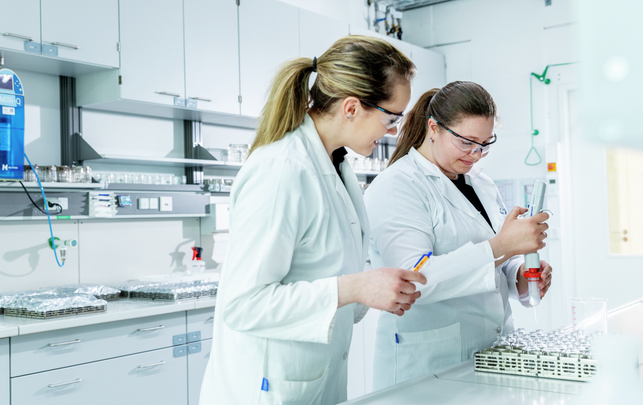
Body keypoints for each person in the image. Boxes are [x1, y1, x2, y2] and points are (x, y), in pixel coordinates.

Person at [199, 36, 428, 405]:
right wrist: (354, 289)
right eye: (391, 118)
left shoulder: (336, 166)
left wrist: (373, 288)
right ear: (352, 107)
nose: (393, 132)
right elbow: (244, 304)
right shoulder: (281, 171)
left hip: (310, 380)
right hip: (266, 387)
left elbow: (324, 268)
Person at [364, 82, 554, 390]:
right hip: (428, 366)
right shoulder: (398, 185)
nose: (476, 154)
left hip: (491, 353)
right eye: (466, 142)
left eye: (484, 144)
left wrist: (519, 274)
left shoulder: (481, 184)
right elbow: (413, 278)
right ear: (434, 128)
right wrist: (503, 245)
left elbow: (493, 260)